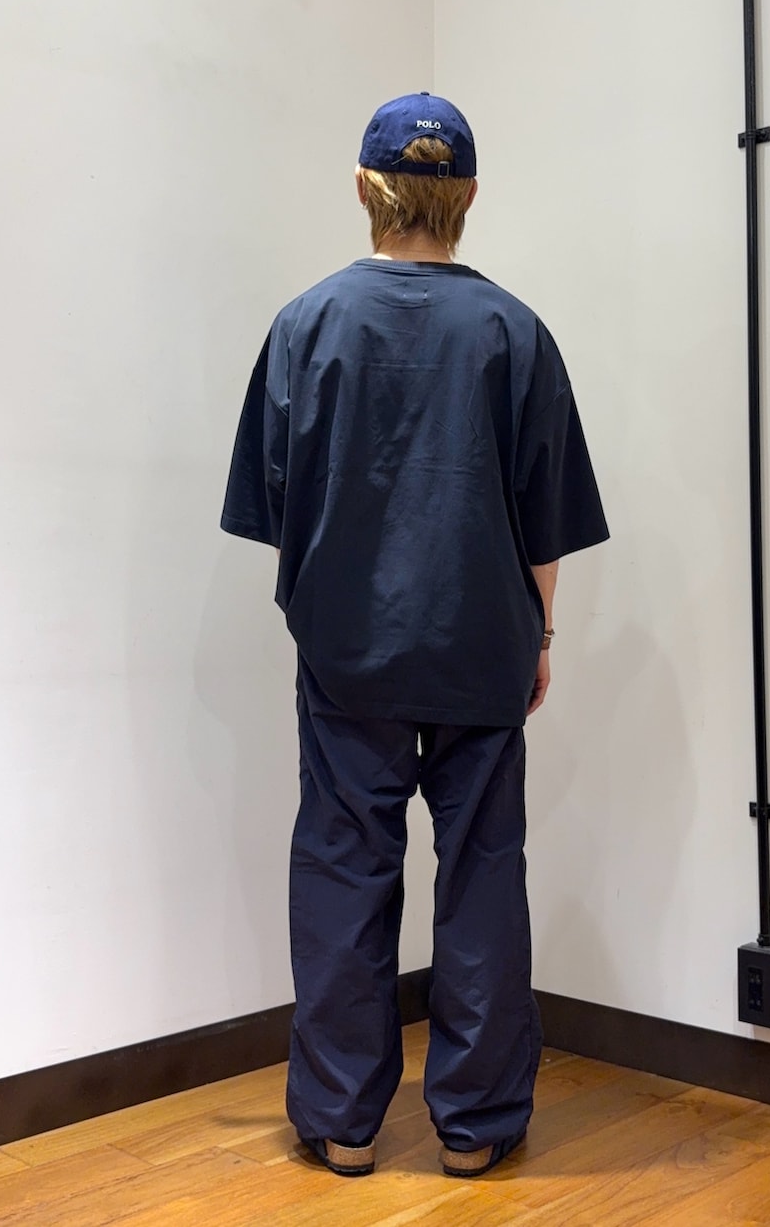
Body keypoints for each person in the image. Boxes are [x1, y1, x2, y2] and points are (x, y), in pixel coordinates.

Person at [220, 92, 608, 1179]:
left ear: (364, 188)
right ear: (468, 195)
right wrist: (539, 633)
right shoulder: (515, 332)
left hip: (347, 650)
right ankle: (476, 1125)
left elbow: (276, 507)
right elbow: (545, 518)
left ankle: (343, 1120)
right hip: (482, 642)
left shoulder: (305, 325)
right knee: (482, 871)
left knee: (345, 865)